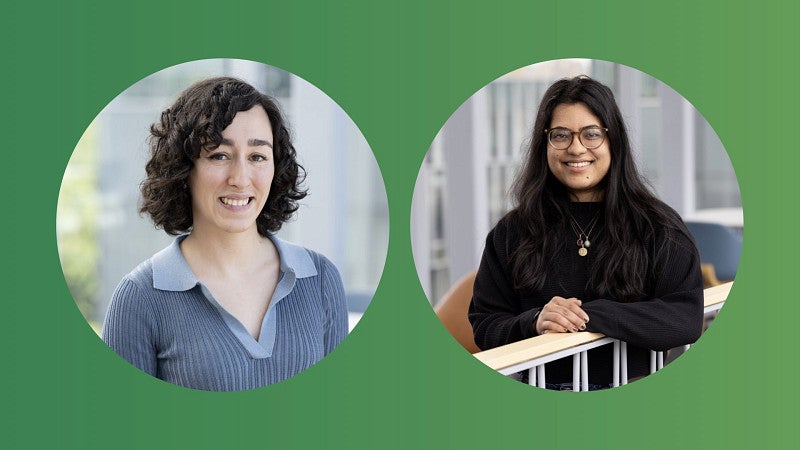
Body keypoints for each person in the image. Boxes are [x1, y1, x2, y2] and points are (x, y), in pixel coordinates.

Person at [102, 77, 348, 391]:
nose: (240, 178)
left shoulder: (320, 279)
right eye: (219, 155)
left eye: (258, 157)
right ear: (183, 168)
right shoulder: (141, 298)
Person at [468, 76, 704, 390]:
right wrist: (536, 320)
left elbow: (684, 318)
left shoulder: (658, 227)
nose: (576, 148)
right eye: (561, 135)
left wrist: (589, 315)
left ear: (613, 141)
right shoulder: (512, 232)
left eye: (591, 134)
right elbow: (485, 325)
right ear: (545, 144)